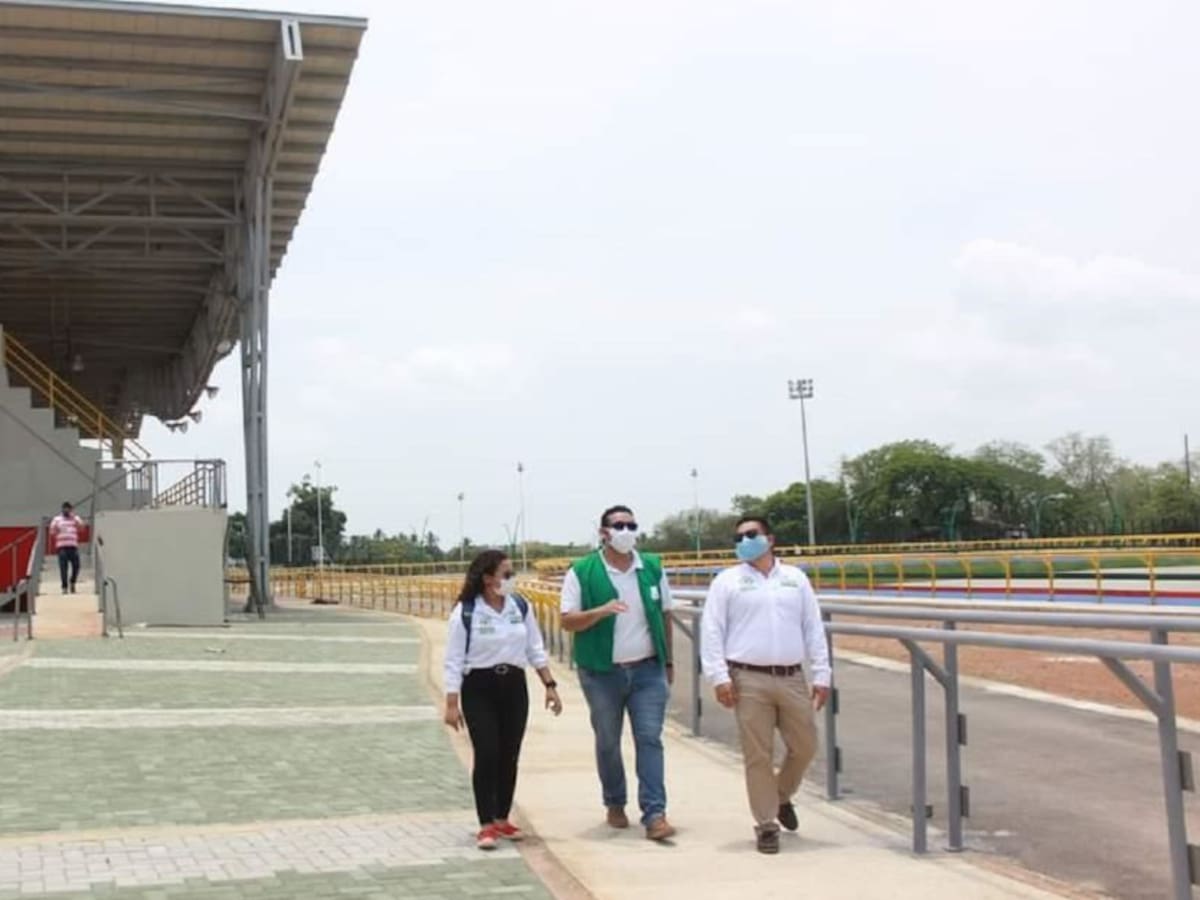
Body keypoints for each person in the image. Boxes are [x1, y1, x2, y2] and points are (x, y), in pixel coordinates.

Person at [700, 514, 831, 854]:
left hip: (791, 676)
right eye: (738, 537)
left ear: (770, 539)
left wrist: (822, 673)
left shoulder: (794, 579)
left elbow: (812, 626)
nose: (744, 541)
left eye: (751, 534)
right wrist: (719, 676)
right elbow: (712, 630)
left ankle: (781, 795)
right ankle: (766, 823)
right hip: (747, 678)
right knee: (758, 754)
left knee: (806, 746)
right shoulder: (728, 581)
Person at [560, 504, 676, 841]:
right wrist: (601, 611)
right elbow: (567, 620)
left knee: (650, 739)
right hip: (601, 674)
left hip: (647, 671)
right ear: (604, 533)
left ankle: (655, 813)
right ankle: (614, 801)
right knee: (608, 741)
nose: (626, 531)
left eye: (631, 524)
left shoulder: (652, 567)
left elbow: (665, 614)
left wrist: (667, 661)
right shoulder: (582, 571)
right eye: (618, 525)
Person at [444, 549, 563, 850]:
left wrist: (549, 684)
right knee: (487, 753)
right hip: (479, 687)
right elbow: (453, 659)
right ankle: (485, 825)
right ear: (487, 579)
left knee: (509, 754)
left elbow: (535, 646)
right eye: (507, 574)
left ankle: (501, 817)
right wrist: (451, 702)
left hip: (513, 685)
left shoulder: (520, 606)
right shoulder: (467, 612)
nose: (513, 579)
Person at [49, 501, 84, 594]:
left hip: (73, 546)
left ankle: (72, 582)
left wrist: (76, 519)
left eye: (68, 508)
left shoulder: (75, 519)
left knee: (77, 566)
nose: (66, 510)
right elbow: (52, 532)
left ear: (71, 509)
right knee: (63, 568)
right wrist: (56, 529)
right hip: (62, 547)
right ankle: (64, 587)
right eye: (65, 508)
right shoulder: (57, 519)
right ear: (62, 509)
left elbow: (81, 528)